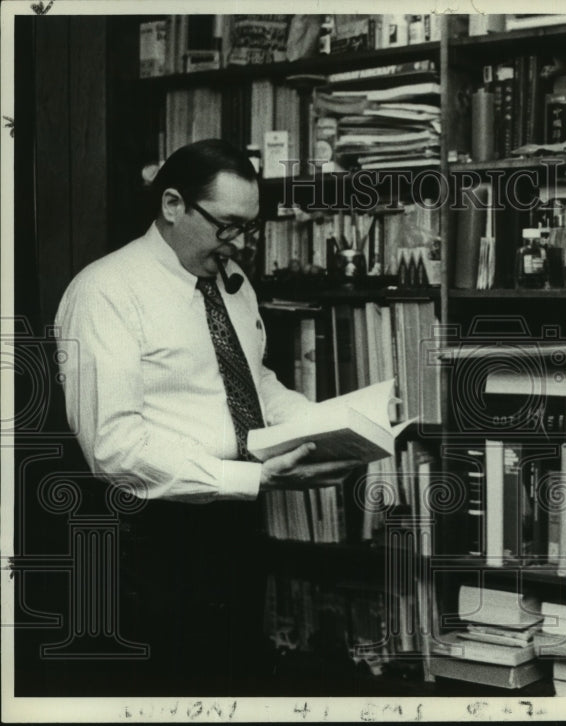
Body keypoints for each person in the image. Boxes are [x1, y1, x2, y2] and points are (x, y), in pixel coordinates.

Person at [54, 139, 358, 694]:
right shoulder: (105, 293)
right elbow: (113, 449)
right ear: (173, 205)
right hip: (147, 541)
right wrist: (249, 477)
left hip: (232, 528)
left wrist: (329, 424)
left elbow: (252, 382)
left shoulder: (231, 283)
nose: (239, 242)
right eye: (227, 226)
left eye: (249, 227)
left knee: (230, 685)